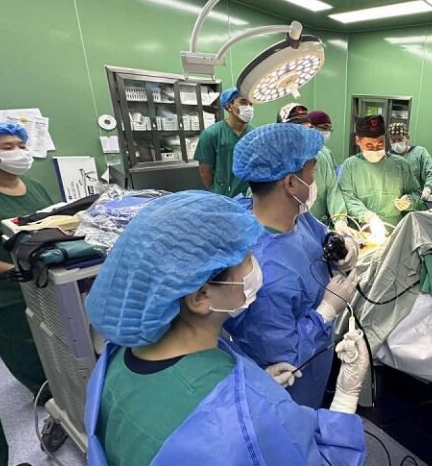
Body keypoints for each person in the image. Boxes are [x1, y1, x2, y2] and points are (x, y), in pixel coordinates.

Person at [84, 191, 368, 465]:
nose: (257, 266)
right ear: (201, 297)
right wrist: (347, 394)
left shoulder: (115, 359)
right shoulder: (251, 419)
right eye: (248, 258)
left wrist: (256, 384)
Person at [226, 123, 359, 408]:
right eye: (312, 171)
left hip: (318, 363)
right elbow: (284, 361)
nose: (315, 180)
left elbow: (319, 234)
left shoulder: (293, 216)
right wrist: (326, 311)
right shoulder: (263, 274)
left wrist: (341, 245)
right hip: (291, 393)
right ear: (290, 183)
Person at [0, 124, 55, 438]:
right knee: (24, 347)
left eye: (21, 145)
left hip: (45, 279)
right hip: (5, 290)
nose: (18, 152)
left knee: (57, 339)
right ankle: (46, 396)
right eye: (8, 146)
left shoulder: (36, 187)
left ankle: (67, 388)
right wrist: (9, 270)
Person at [339, 115, 421, 230]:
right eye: (369, 146)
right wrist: (366, 215)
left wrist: (408, 201)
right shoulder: (350, 165)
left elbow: (415, 192)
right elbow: (346, 197)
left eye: (380, 144)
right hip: (362, 228)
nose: (375, 149)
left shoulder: (400, 165)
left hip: (394, 229)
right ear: (358, 140)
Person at [193, 87, 254, 197]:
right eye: (243, 102)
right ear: (229, 106)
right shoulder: (211, 134)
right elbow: (205, 172)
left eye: (251, 104)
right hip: (223, 196)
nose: (248, 108)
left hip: (250, 197)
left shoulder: (255, 134)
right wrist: (218, 193)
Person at [304, 110, 351, 235]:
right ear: (310, 128)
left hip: (321, 222)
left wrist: (339, 220)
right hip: (299, 223)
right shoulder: (294, 156)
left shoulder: (325, 153)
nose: (327, 133)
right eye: (324, 128)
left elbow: (333, 189)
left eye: (329, 129)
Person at [389, 122, 432, 203]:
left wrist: (427, 189)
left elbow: (430, 173)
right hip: (396, 201)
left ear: (407, 138)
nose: (396, 144)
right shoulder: (389, 157)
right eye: (393, 141)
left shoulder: (420, 152)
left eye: (400, 139)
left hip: (419, 199)